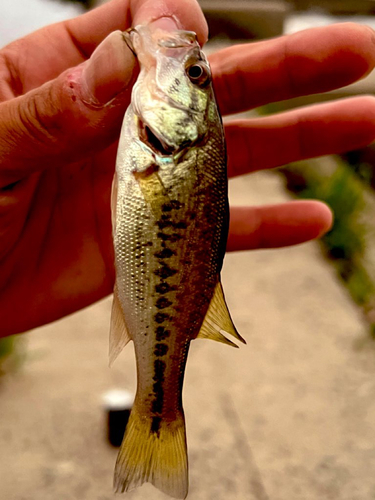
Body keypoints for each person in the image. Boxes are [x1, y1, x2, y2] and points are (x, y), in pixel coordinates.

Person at [0, 0, 374, 337]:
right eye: (197, 74)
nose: (189, 67)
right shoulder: (157, 136)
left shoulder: (161, 139)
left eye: (195, 75)